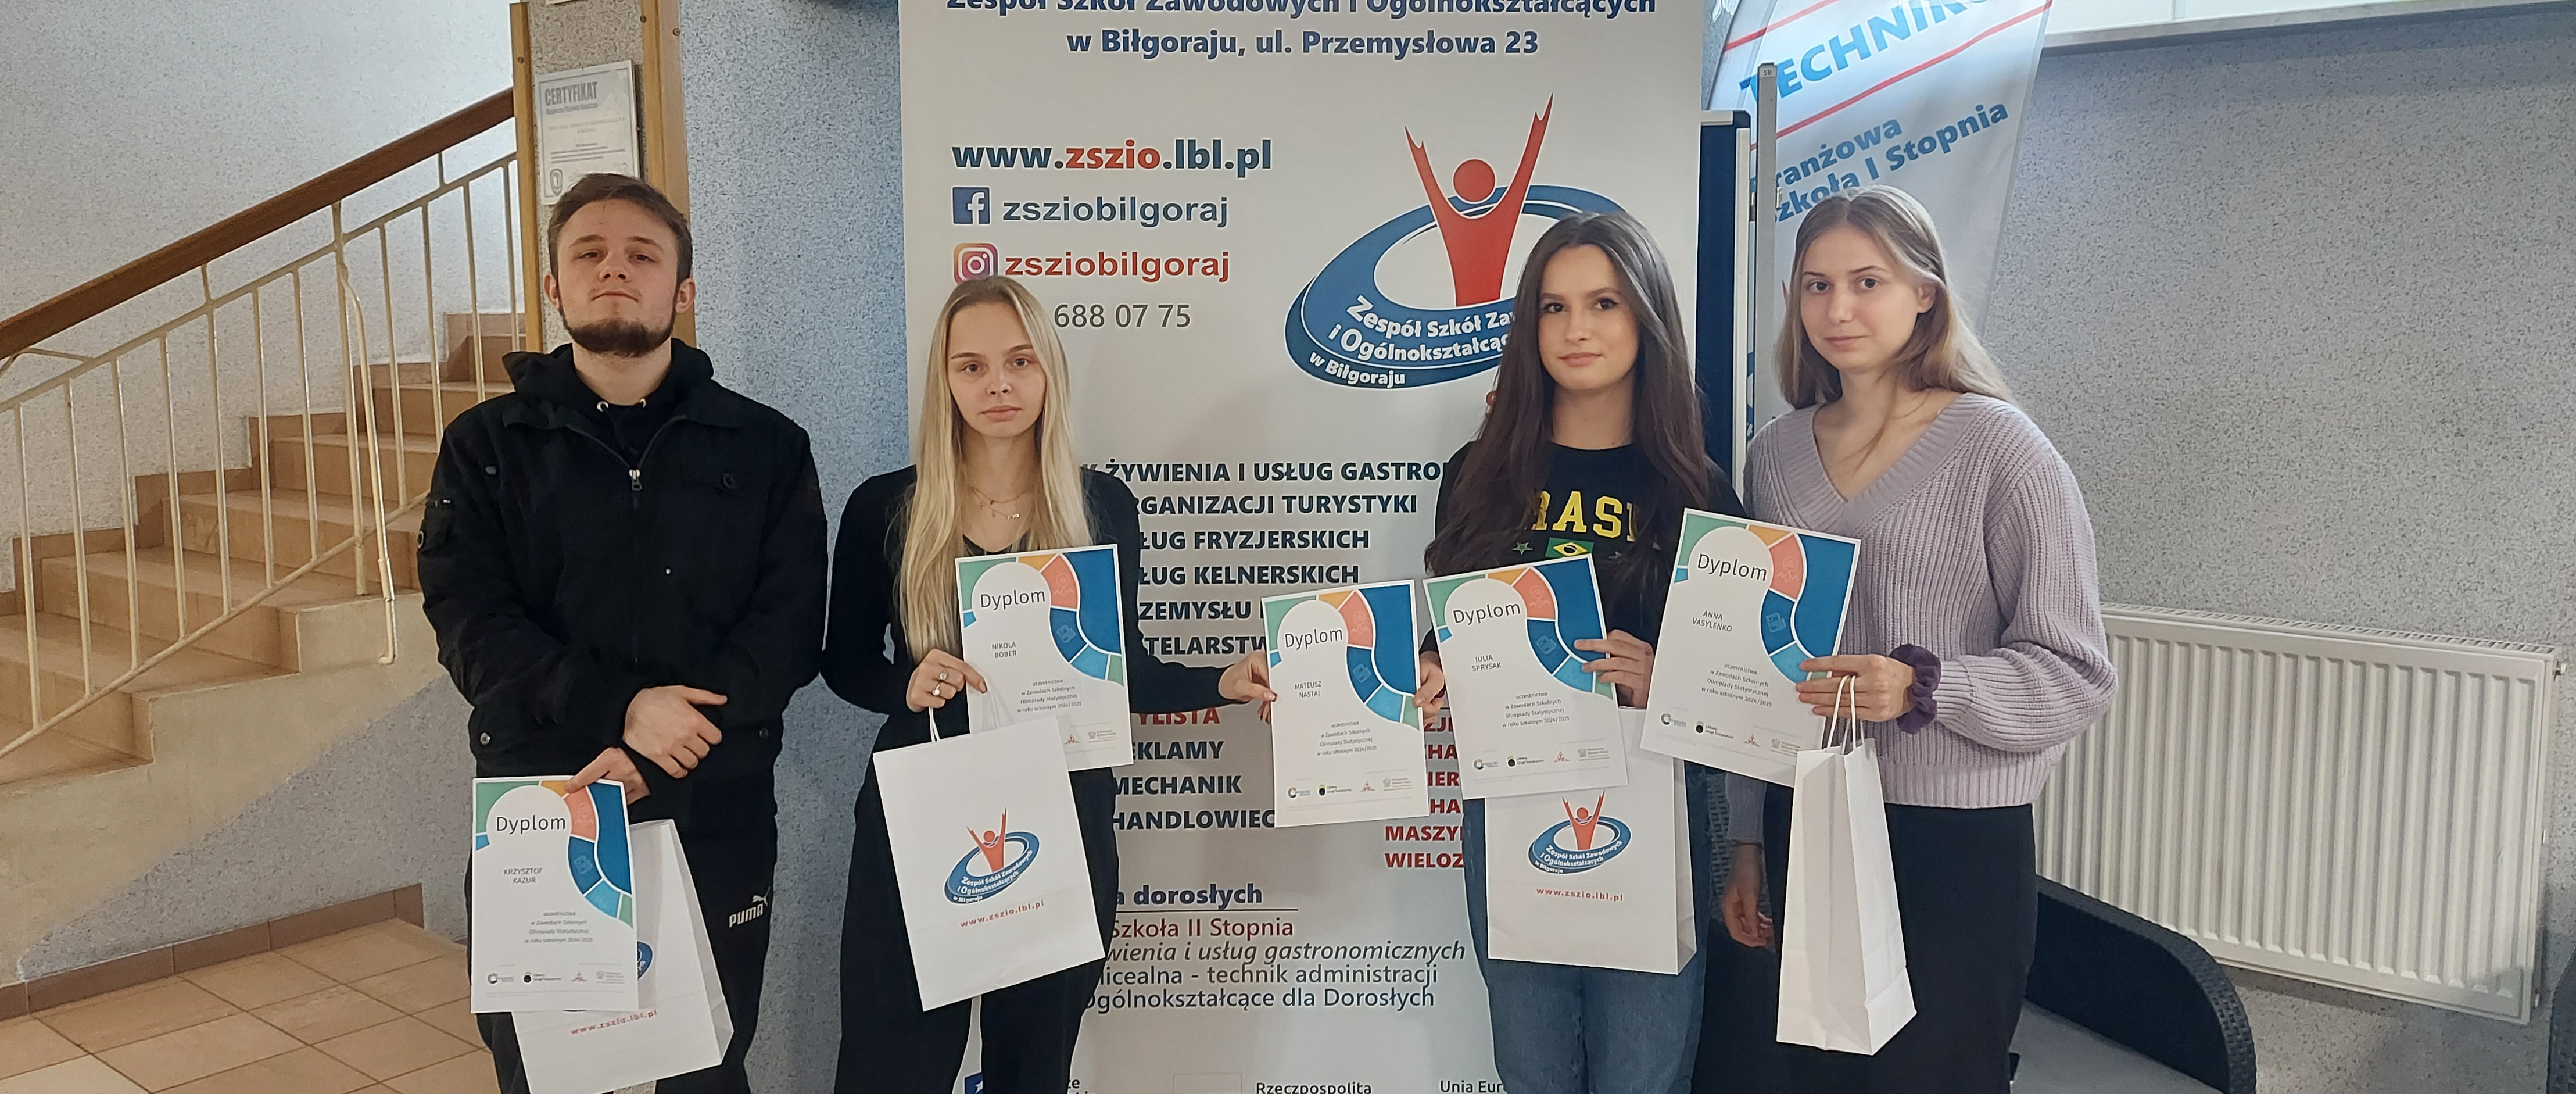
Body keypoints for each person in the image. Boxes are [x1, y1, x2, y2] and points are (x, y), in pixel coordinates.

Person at [1235, 210, 1739, 1093]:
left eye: (1605, 304)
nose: (1577, 329)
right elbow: (1458, 628)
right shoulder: (1480, 473)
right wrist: (1421, 673)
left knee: (1642, 1076)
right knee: (1532, 1070)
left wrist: (1670, 678)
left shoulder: (1698, 488)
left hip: (1654, 803)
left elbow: (1741, 694)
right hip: (1512, 802)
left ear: (1648, 318)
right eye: (1553, 307)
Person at [421, 173, 828, 1094]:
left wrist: (662, 748)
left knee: (706, 1065)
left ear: (682, 291)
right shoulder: (485, 446)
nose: (616, 269)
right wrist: (621, 709)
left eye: (643, 255)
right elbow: (469, 624)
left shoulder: (767, 447)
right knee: (546, 1070)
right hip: (549, 798)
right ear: (555, 287)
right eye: (590, 254)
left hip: (712, 797)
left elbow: (788, 630)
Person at [823, 275, 1273, 1094]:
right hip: (921, 807)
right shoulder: (887, 505)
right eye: (972, 367)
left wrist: (1221, 680)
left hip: (1061, 807)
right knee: (893, 1063)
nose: (997, 384)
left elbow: (1120, 670)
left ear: (1048, 372)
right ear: (945, 380)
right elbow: (844, 661)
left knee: (1034, 1063)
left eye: (1019, 361)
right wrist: (905, 685)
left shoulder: (1101, 504)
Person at [1717, 185, 2115, 1092]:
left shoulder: (2000, 448)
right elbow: (1755, 667)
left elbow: (2077, 671)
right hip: (1809, 818)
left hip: (1952, 838)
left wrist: (1924, 687)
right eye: (1816, 285)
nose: (1839, 309)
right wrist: (1746, 839)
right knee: (1819, 1076)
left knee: (1937, 1077)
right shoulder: (1774, 455)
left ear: (1925, 293)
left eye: (1869, 281)